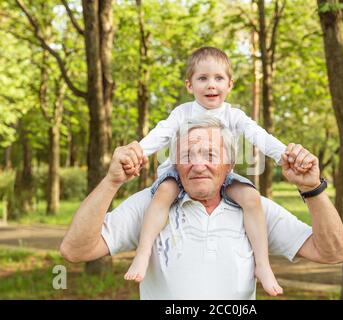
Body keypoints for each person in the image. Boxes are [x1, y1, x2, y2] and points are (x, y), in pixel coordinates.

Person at [60, 116, 343, 300]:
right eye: (187, 155)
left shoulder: (254, 208)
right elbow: (75, 250)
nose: (198, 164)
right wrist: (112, 182)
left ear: (229, 165)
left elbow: (333, 251)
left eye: (210, 154)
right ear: (174, 165)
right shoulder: (150, 205)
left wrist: (312, 189)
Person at [123, 47, 311, 296]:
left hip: (221, 175)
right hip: (180, 173)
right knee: (163, 194)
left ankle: (263, 265)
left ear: (230, 84)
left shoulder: (234, 115)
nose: (211, 85)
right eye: (203, 78)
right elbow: (162, 133)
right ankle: (143, 252)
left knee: (251, 198)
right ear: (189, 85)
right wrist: (139, 151)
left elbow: (258, 136)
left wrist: (282, 155)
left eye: (218, 78)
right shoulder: (183, 113)